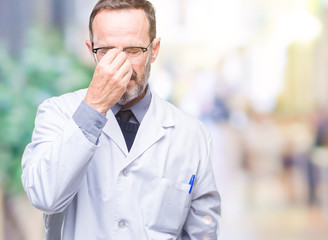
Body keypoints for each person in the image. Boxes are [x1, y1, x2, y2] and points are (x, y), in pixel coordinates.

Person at [21, 0, 221, 239]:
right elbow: (45, 196)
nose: (121, 63)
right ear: (90, 49)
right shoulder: (57, 113)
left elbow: (203, 232)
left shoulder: (192, 135)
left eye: (133, 50)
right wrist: (95, 106)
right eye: (106, 51)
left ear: (154, 50)